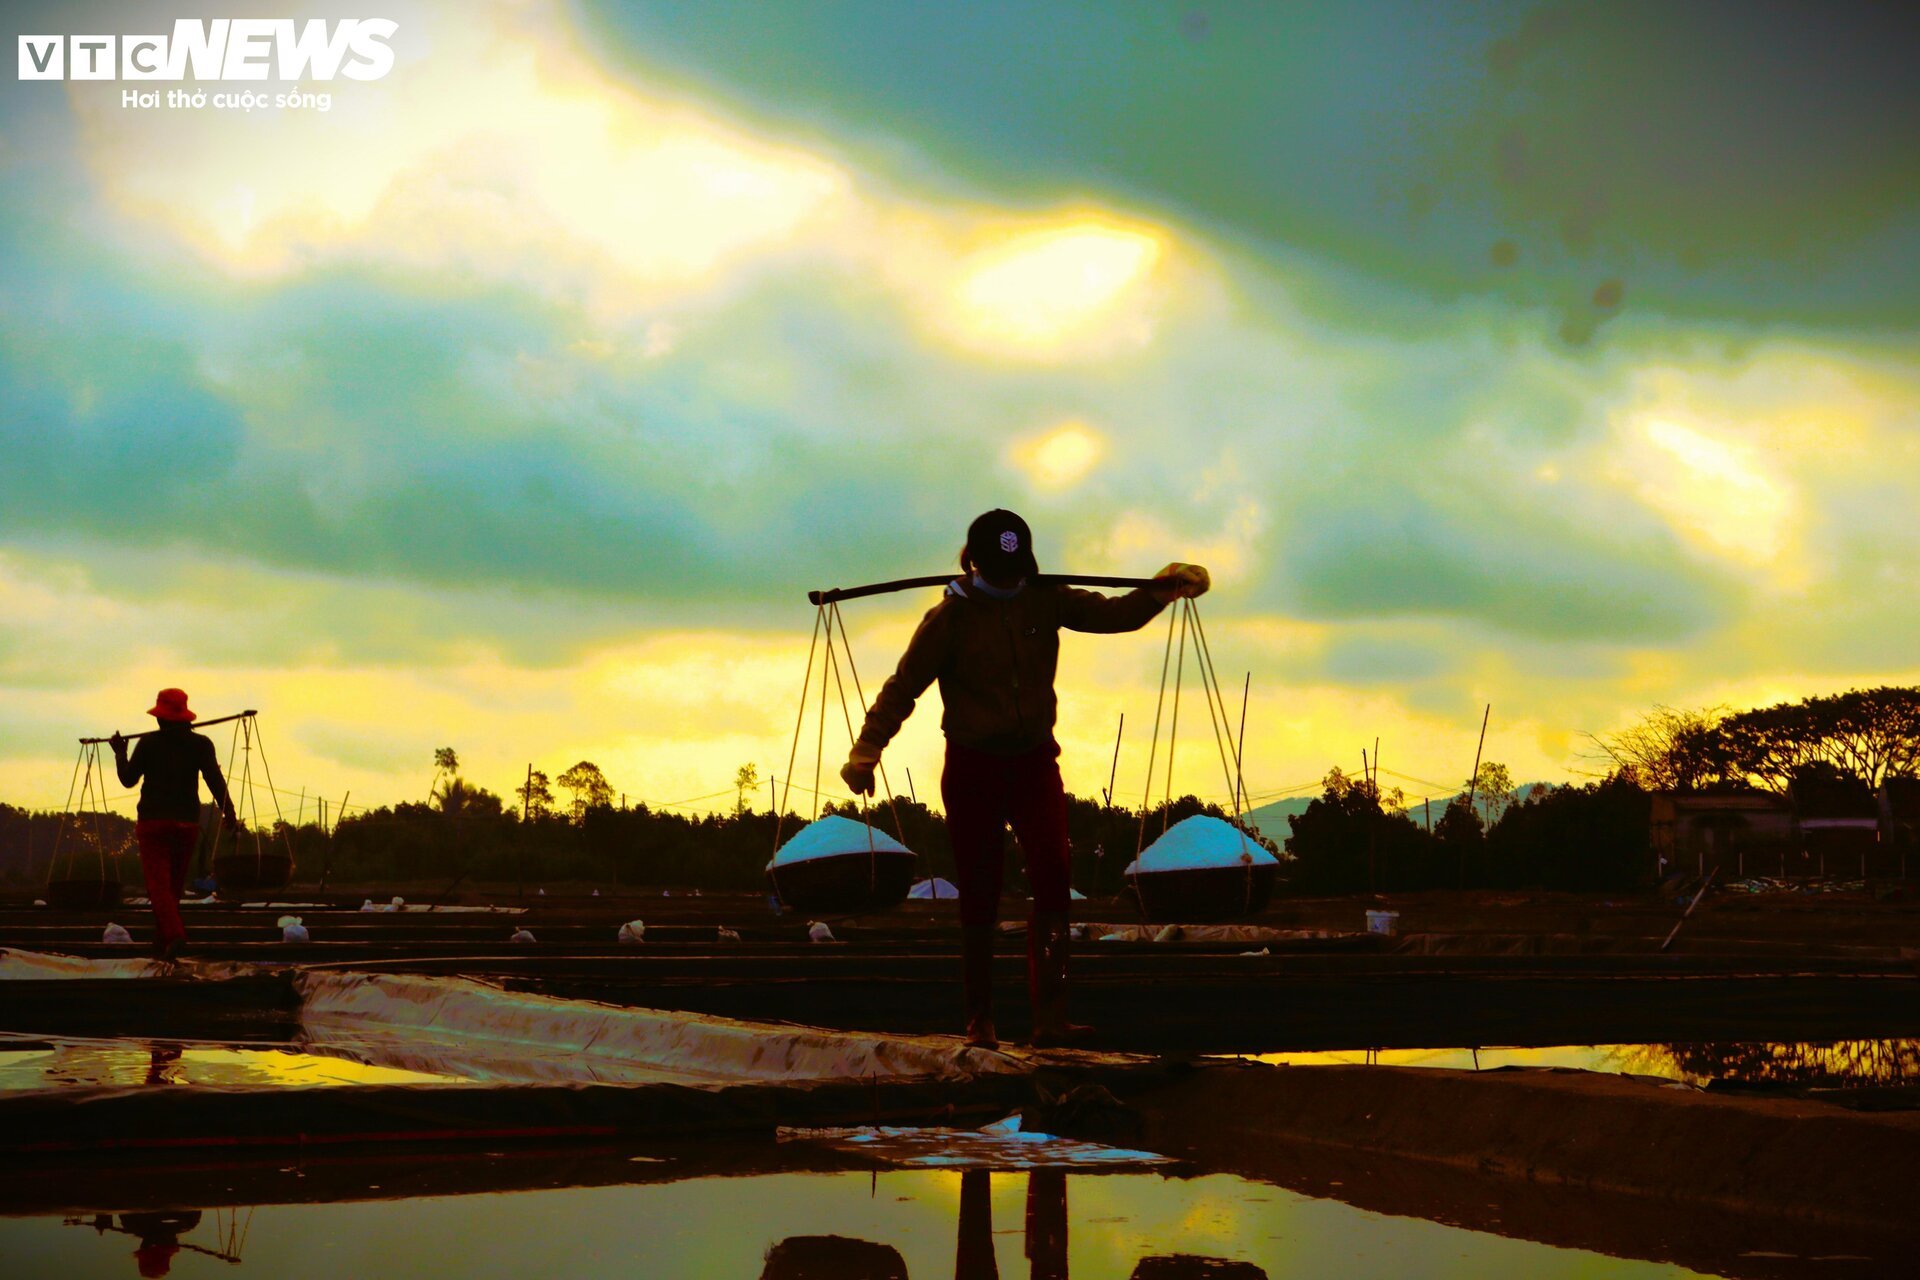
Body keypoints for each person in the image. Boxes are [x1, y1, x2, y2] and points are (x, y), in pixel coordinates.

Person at [841, 510, 1208, 1047]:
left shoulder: (1045, 596)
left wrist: (1164, 588)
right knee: (981, 890)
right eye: (1002, 570)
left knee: (1054, 875)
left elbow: (1116, 615)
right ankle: (979, 1018)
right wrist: (867, 750)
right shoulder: (950, 619)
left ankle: (1052, 1018)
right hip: (972, 765)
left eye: (1020, 569)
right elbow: (903, 687)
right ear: (974, 562)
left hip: (1034, 761)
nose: (1013, 579)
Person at [111, 689, 237, 961]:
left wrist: (120, 753)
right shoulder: (201, 744)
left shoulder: (148, 744)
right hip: (186, 824)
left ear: (160, 719)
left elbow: (128, 779)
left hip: (154, 824)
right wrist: (230, 813)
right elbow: (215, 780)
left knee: (159, 888)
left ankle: (175, 936)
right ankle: (163, 946)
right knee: (172, 890)